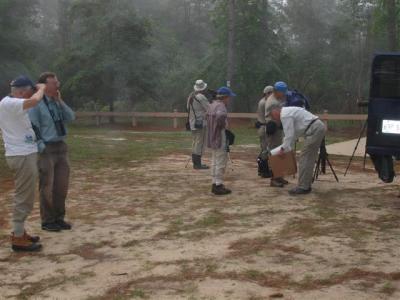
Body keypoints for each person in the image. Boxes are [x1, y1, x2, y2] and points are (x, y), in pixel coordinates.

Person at [0, 76, 46, 252]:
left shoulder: (11, 103)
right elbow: (34, 101)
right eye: (30, 91)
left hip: (24, 154)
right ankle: (18, 238)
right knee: (24, 196)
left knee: (25, 194)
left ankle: (19, 232)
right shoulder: (9, 103)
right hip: (21, 156)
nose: (31, 94)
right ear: (22, 91)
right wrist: (41, 89)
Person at [29, 72, 75, 232]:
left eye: (57, 82)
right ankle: (48, 221)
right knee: (47, 186)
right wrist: (41, 146)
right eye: (54, 83)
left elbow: (71, 117)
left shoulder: (56, 102)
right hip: (46, 148)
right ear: (44, 86)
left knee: (61, 186)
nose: (58, 85)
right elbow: (33, 126)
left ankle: (59, 218)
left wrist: (60, 100)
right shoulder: (36, 103)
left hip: (61, 147)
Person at [269, 105, 327, 195]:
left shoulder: (285, 115)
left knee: (305, 159)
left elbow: (289, 135)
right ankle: (306, 184)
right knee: (308, 159)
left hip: (314, 130)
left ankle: (303, 187)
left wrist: (283, 149)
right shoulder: (288, 112)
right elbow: (293, 135)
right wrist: (287, 148)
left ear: (276, 112)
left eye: (274, 117)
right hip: (316, 128)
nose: (276, 120)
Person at [207, 87, 236, 195]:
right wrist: (223, 125)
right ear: (225, 97)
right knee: (221, 160)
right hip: (220, 135)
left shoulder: (212, 105)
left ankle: (215, 182)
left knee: (215, 159)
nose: (229, 99)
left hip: (212, 136)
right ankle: (218, 184)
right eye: (229, 97)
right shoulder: (221, 106)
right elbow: (220, 117)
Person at [265, 81, 289, 187]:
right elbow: (277, 116)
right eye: (282, 92)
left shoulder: (277, 99)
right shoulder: (273, 102)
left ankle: (279, 176)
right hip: (274, 130)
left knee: (280, 152)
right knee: (275, 153)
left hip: (278, 130)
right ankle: (274, 179)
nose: (284, 94)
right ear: (277, 91)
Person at [187, 80, 210, 170]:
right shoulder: (201, 97)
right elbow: (209, 108)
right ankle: (197, 164)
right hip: (200, 123)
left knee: (195, 142)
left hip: (192, 122)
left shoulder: (191, 96)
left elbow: (187, 108)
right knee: (200, 143)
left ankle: (195, 163)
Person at [256, 85, 274, 178]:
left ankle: (263, 169)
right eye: (270, 93)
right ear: (266, 93)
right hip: (264, 127)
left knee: (265, 149)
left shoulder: (263, 101)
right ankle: (263, 170)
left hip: (263, 127)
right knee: (265, 150)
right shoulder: (264, 103)